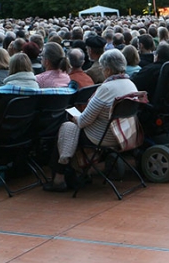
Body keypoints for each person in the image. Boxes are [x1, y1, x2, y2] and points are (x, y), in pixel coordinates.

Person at [44, 49, 138, 192]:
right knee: (72, 130)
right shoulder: (130, 83)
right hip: (124, 134)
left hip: (103, 136)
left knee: (66, 128)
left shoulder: (106, 88)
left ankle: (59, 178)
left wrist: (74, 117)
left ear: (106, 69)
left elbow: (83, 122)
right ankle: (82, 172)